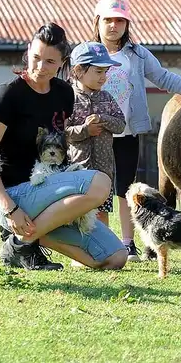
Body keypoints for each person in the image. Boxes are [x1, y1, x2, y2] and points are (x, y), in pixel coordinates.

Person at [0, 23, 127, 271]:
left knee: (115, 257)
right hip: (15, 198)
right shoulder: (7, 96)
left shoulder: (64, 93)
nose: (40, 67)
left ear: (62, 62)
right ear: (28, 51)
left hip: (52, 195)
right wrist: (10, 208)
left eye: (49, 62)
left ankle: (25, 239)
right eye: (35, 58)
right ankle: (22, 241)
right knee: (100, 183)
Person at [92, 0, 181, 261]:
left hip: (127, 133)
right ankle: (101, 242)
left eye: (120, 20)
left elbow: (163, 77)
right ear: (97, 22)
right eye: (108, 20)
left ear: (127, 24)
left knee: (126, 189)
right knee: (97, 189)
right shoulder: (87, 52)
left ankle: (128, 244)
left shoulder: (136, 53)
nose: (114, 26)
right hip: (95, 135)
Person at [65, 41, 126, 226]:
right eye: (98, 72)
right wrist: (85, 130)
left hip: (104, 170)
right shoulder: (68, 98)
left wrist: (102, 118)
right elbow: (63, 132)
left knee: (101, 214)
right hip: (77, 170)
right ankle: (79, 254)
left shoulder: (106, 98)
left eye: (106, 72)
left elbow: (121, 125)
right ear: (78, 70)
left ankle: (102, 252)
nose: (104, 77)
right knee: (77, 212)